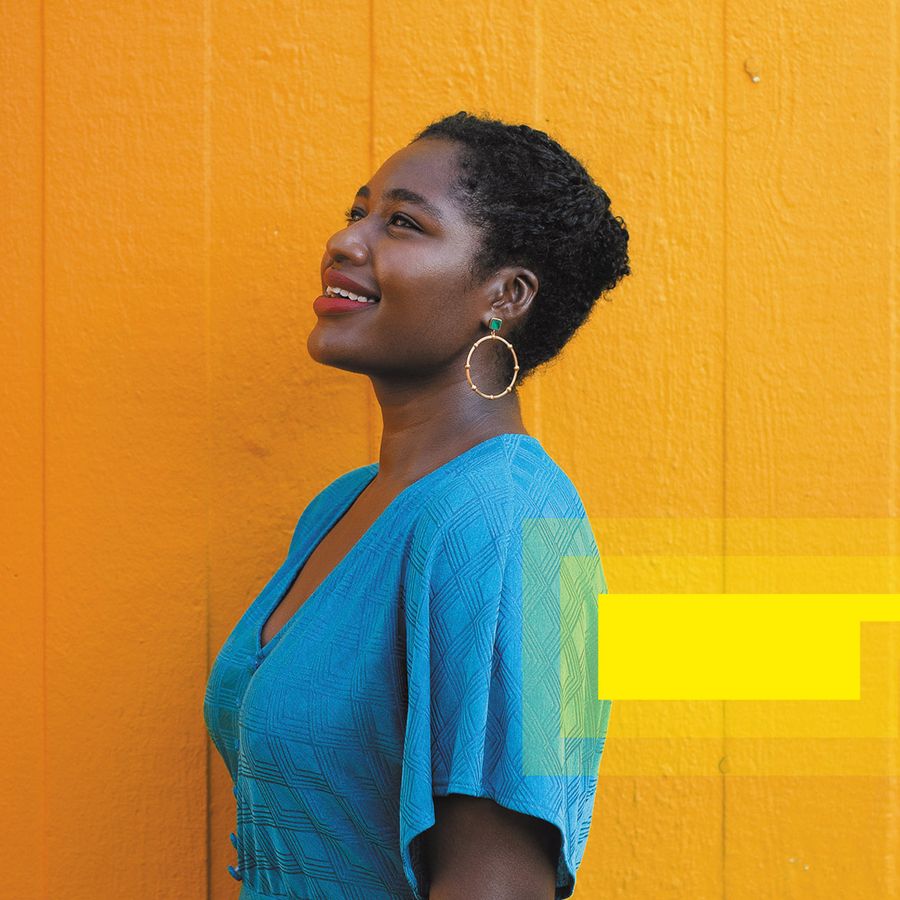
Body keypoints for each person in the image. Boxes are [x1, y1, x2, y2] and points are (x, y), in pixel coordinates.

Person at [203, 110, 630, 899]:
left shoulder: (505, 521)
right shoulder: (340, 507)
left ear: (505, 294)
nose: (346, 240)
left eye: (402, 222)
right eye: (357, 211)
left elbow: (499, 885)